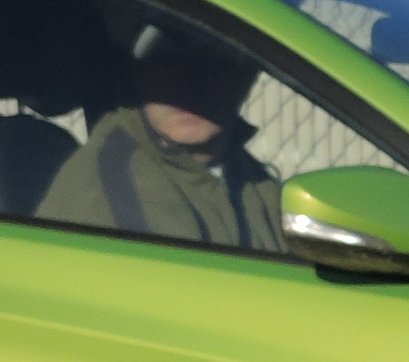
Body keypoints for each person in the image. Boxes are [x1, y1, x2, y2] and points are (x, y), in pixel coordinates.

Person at [40, 26, 284, 250]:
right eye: (168, 60)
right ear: (138, 73)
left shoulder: (239, 170)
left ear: (246, 77)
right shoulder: (114, 195)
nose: (189, 80)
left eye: (212, 60)